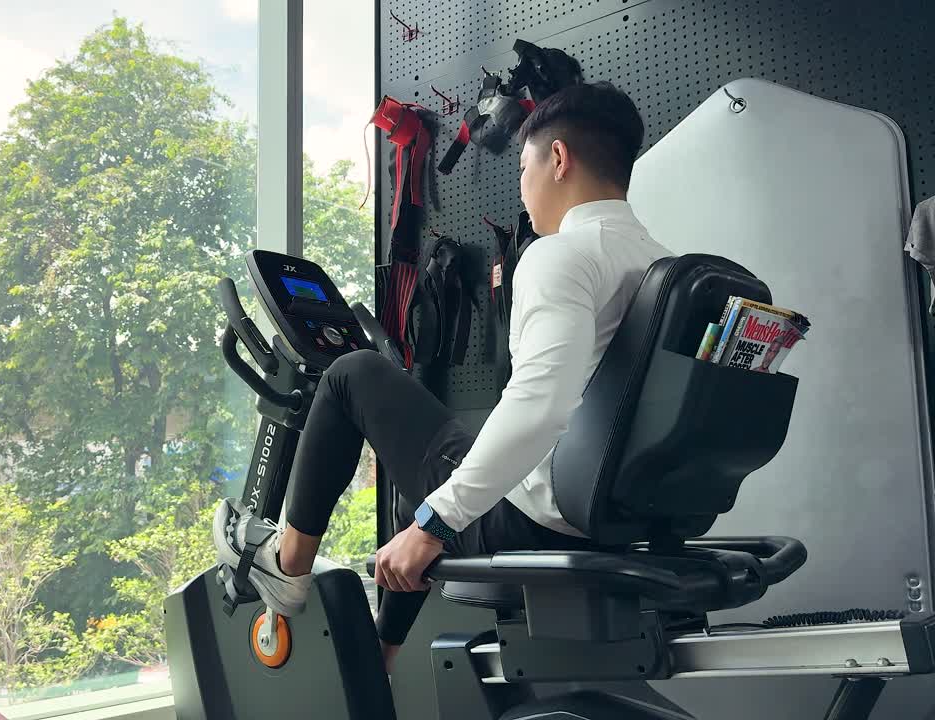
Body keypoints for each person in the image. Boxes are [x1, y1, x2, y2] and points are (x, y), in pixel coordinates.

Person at [214, 81, 672, 672]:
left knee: (353, 374)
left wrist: (434, 524)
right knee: (435, 460)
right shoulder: (659, 259)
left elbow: (539, 406)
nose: (524, 189)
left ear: (558, 160)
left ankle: (287, 566)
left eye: (524, 166)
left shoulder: (561, 254)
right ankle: (382, 657)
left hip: (533, 521)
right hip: (609, 520)